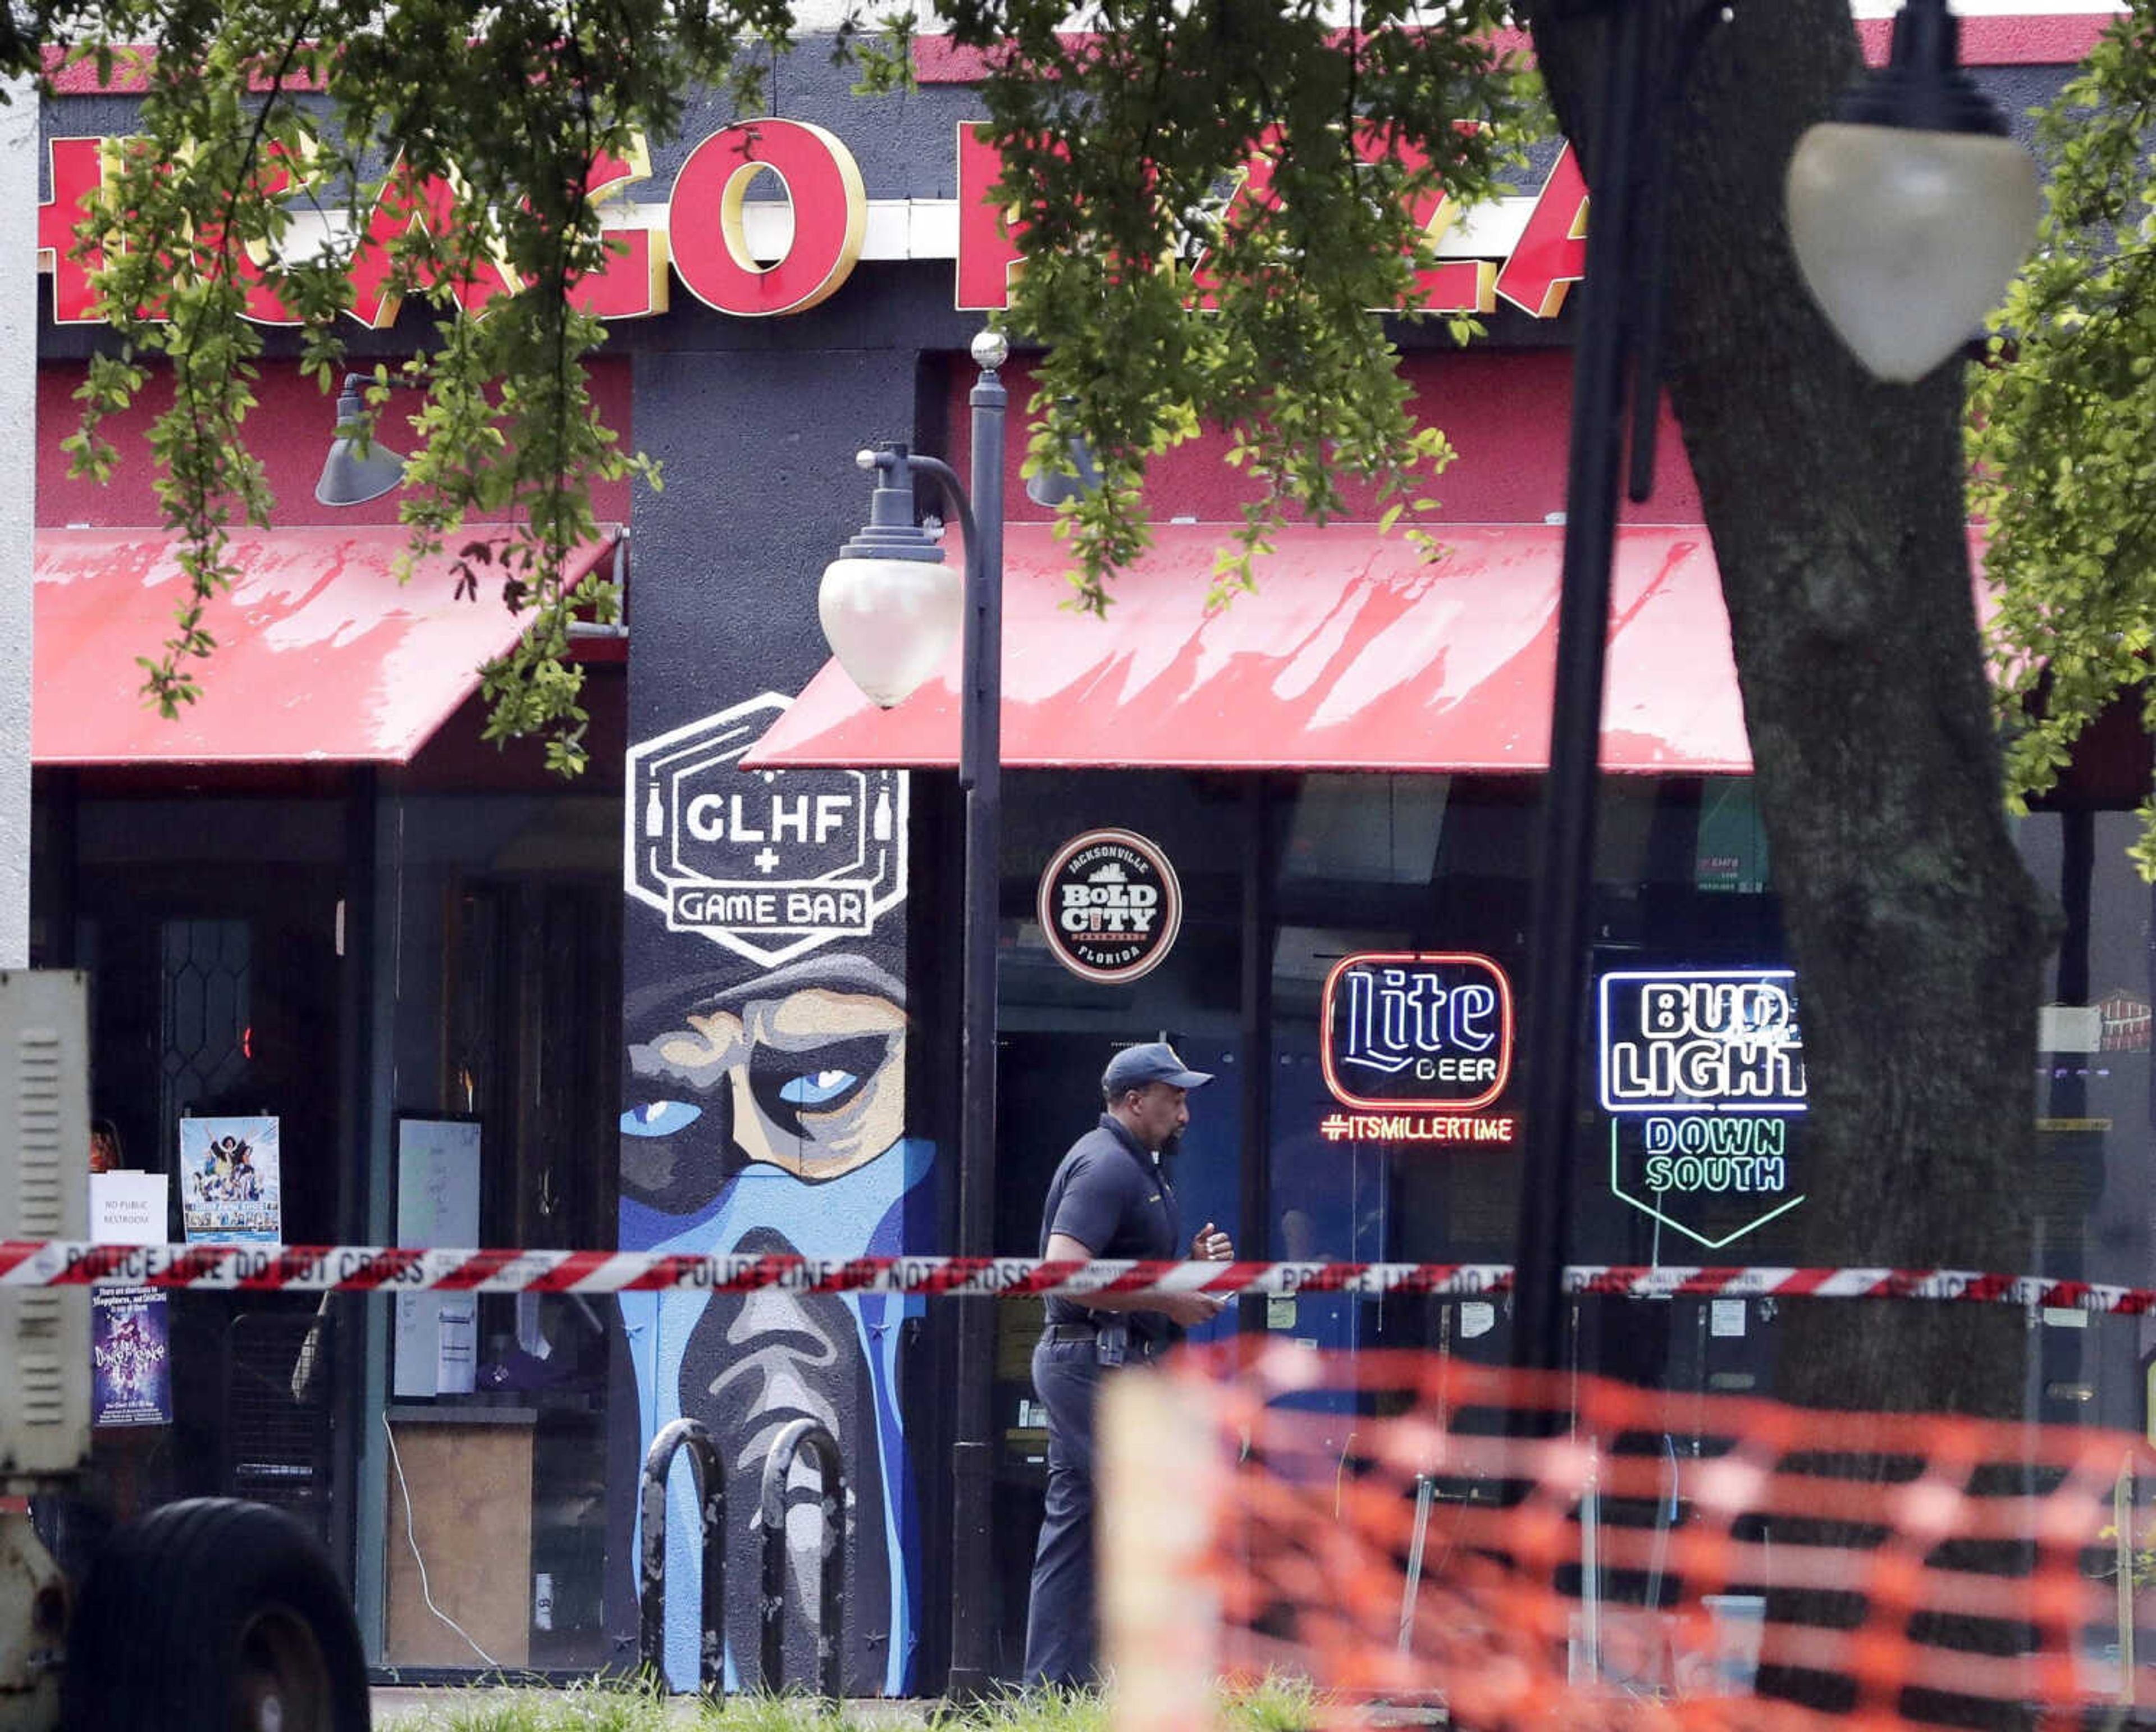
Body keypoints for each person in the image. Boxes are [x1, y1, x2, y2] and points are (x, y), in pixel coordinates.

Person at [1022, 1041, 1236, 1691]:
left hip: (1093, 1359)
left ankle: (1049, 1694)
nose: (1185, 1114)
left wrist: (1187, 1267)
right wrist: (1167, 1299)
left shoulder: (1136, 1165)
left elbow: (1113, 1270)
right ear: (1134, 1100)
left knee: (1076, 1528)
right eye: (1174, 1100)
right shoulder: (1106, 1166)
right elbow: (1061, 1272)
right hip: (1095, 1364)